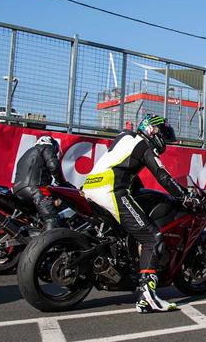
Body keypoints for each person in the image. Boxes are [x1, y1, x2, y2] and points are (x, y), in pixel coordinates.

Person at [83, 114, 196, 313]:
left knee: (123, 234)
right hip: (111, 190)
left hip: (90, 188)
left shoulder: (124, 138)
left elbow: (124, 169)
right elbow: (162, 176)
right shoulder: (145, 146)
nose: (165, 141)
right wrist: (184, 196)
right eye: (163, 135)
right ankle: (147, 297)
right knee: (153, 238)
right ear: (153, 130)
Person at [12, 136, 75, 231]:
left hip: (18, 190)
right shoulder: (47, 147)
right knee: (52, 219)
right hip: (35, 189)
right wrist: (61, 182)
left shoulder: (27, 153)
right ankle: (52, 244)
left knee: (39, 217)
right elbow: (53, 166)